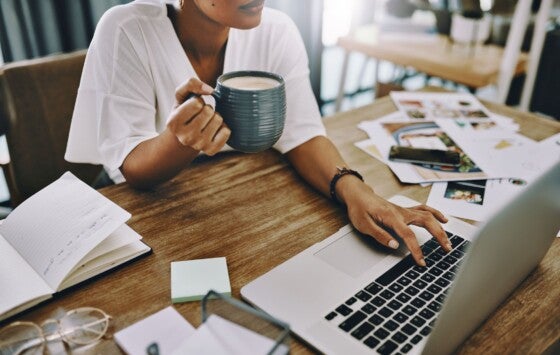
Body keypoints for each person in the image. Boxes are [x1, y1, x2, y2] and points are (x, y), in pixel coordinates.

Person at [65, 0, 451, 266]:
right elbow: (131, 167)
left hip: (251, 213)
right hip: (153, 220)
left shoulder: (277, 29)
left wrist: (356, 191)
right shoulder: (127, 29)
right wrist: (178, 141)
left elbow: (301, 132)